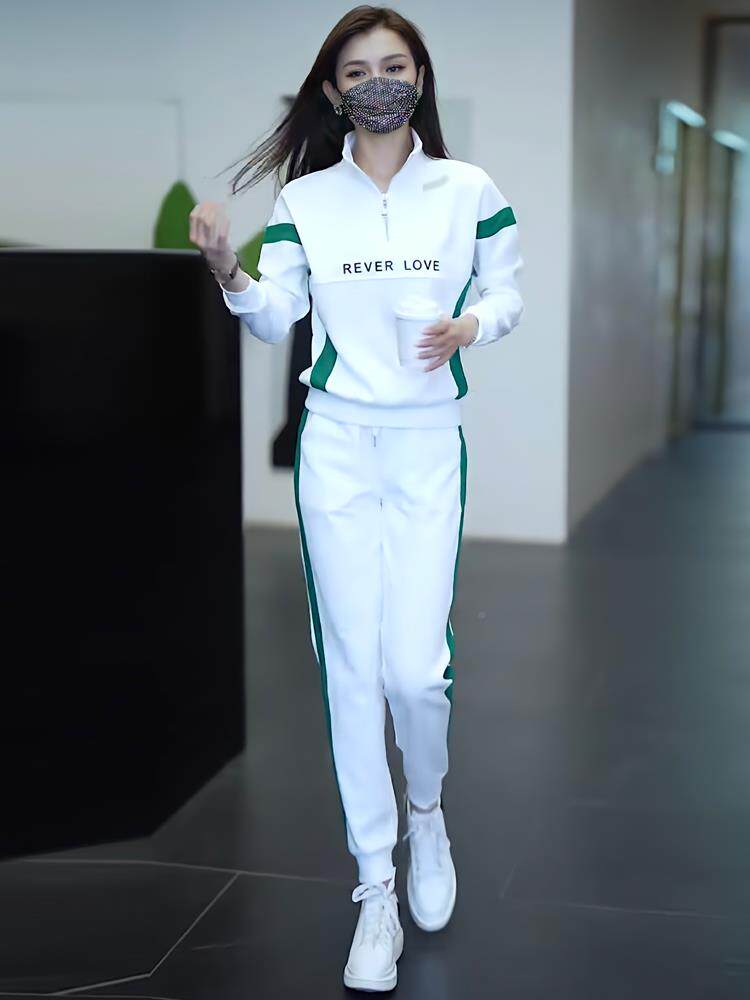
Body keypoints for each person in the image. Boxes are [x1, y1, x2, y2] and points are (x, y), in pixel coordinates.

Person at [189, 5, 524, 992]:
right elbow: (276, 316)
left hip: (425, 445)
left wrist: (470, 326)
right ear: (333, 93)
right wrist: (229, 270)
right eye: (358, 70)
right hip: (337, 445)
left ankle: (427, 812)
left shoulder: (468, 189)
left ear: (421, 76)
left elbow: (506, 292)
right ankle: (375, 886)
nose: (379, 82)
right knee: (352, 671)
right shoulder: (307, 201)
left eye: (395, 65)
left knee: (416, 672)